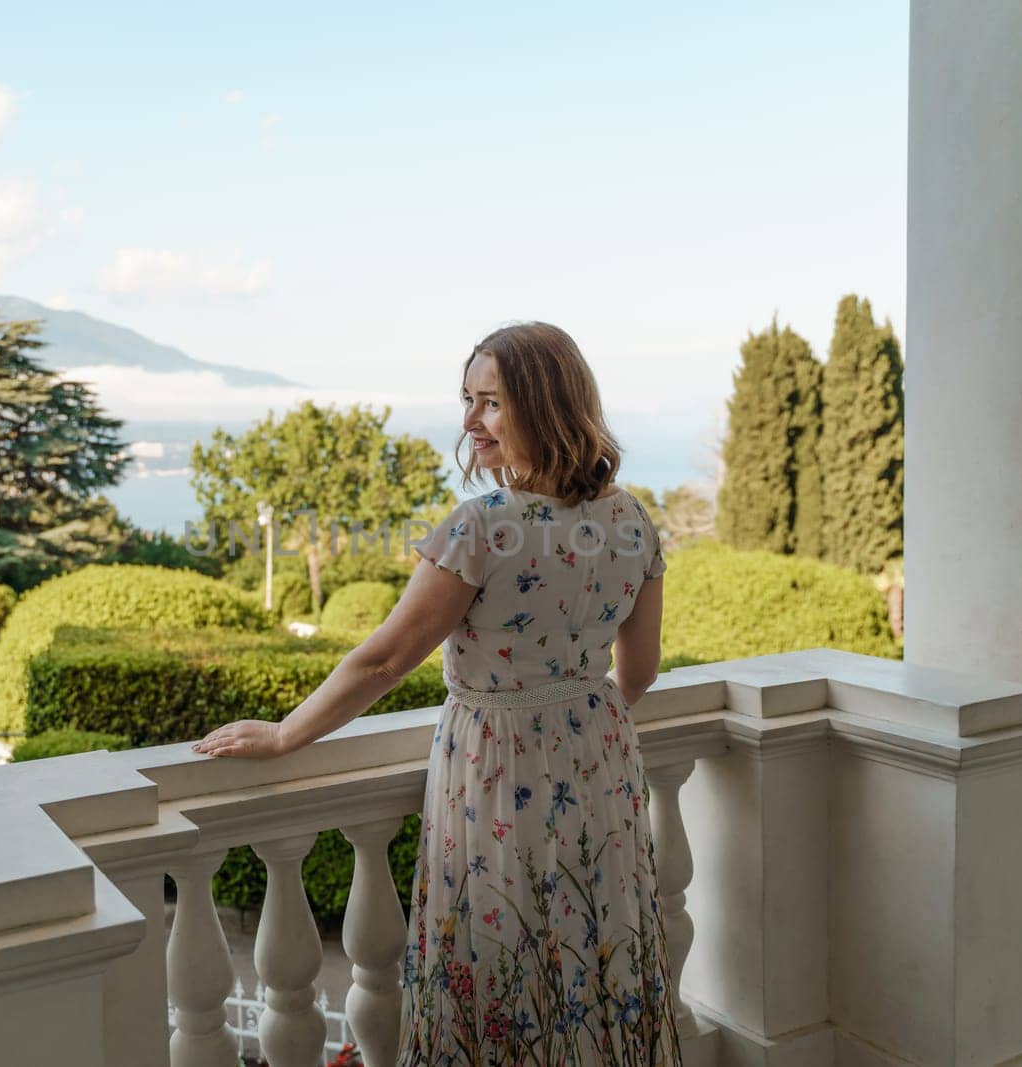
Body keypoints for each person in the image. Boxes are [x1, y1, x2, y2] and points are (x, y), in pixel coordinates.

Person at [191, 322, 682, 1065]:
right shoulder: (631, 518)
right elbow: (638, 672)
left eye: (490, 403)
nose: (469, 422)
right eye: (468, 401)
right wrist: (575, 716)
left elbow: (386, 658)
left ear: (544, 406)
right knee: (593, 952)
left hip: (497, 766)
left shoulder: (483, 527)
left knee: (498, 958)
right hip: (602, 759)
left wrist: (286, 734)